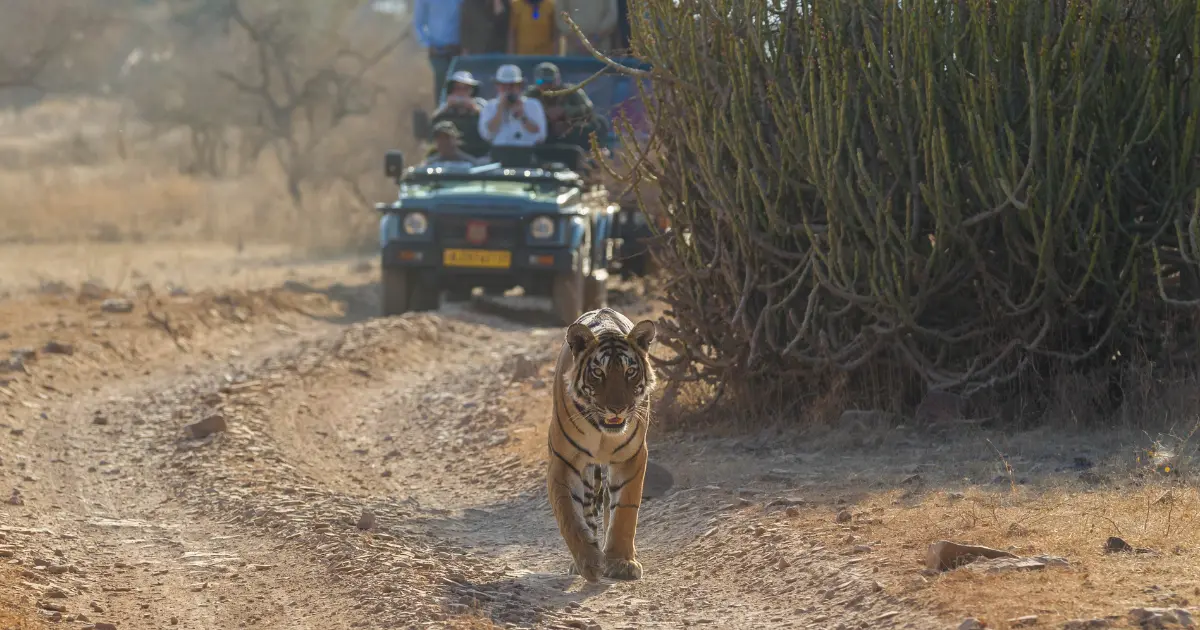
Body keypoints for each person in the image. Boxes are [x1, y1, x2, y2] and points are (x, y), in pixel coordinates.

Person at [525, 62, 595, 145]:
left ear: (558, 80)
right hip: (541, 136)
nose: (546, 85)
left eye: (550, 81)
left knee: (598, 122)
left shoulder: (570, 91)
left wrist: (564, 111)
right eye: (541, 81)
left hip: (570, 136)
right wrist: (544, 113)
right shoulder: (531, 94)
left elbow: (589, 108)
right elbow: (521, 109)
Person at [478, 64, 547, 148]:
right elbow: (487, 134)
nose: (508, 90)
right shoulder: (490, 106)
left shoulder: (533, 104)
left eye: (511, 85)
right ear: (497, 86)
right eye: (504, 86)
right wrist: (500, 110)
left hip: (526, 151)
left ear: (520, 86)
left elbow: (540, 135)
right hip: (500, 151)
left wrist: (523, 116)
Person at [413, 0, 465, 105]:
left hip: (460, 51)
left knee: (463, 86)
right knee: (443, 89)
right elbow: (418, 23)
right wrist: (428, 44)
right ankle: (441, 116)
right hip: (438, 51)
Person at [431, 71, 490, 156]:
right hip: (450, 153)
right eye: (458, 88)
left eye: (465, 88)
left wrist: (472, 108)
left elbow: (488, 122)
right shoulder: (446, 106)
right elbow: (434, 122)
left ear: (471, 90)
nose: (461, 92)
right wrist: (448, 107)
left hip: (477, 152)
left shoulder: (480, 103)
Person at [425, 121, 489, 166]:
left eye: (447, 138)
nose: (443, 142)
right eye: (440, 138)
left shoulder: (468, 163)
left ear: (456, 139)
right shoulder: (431, 164)